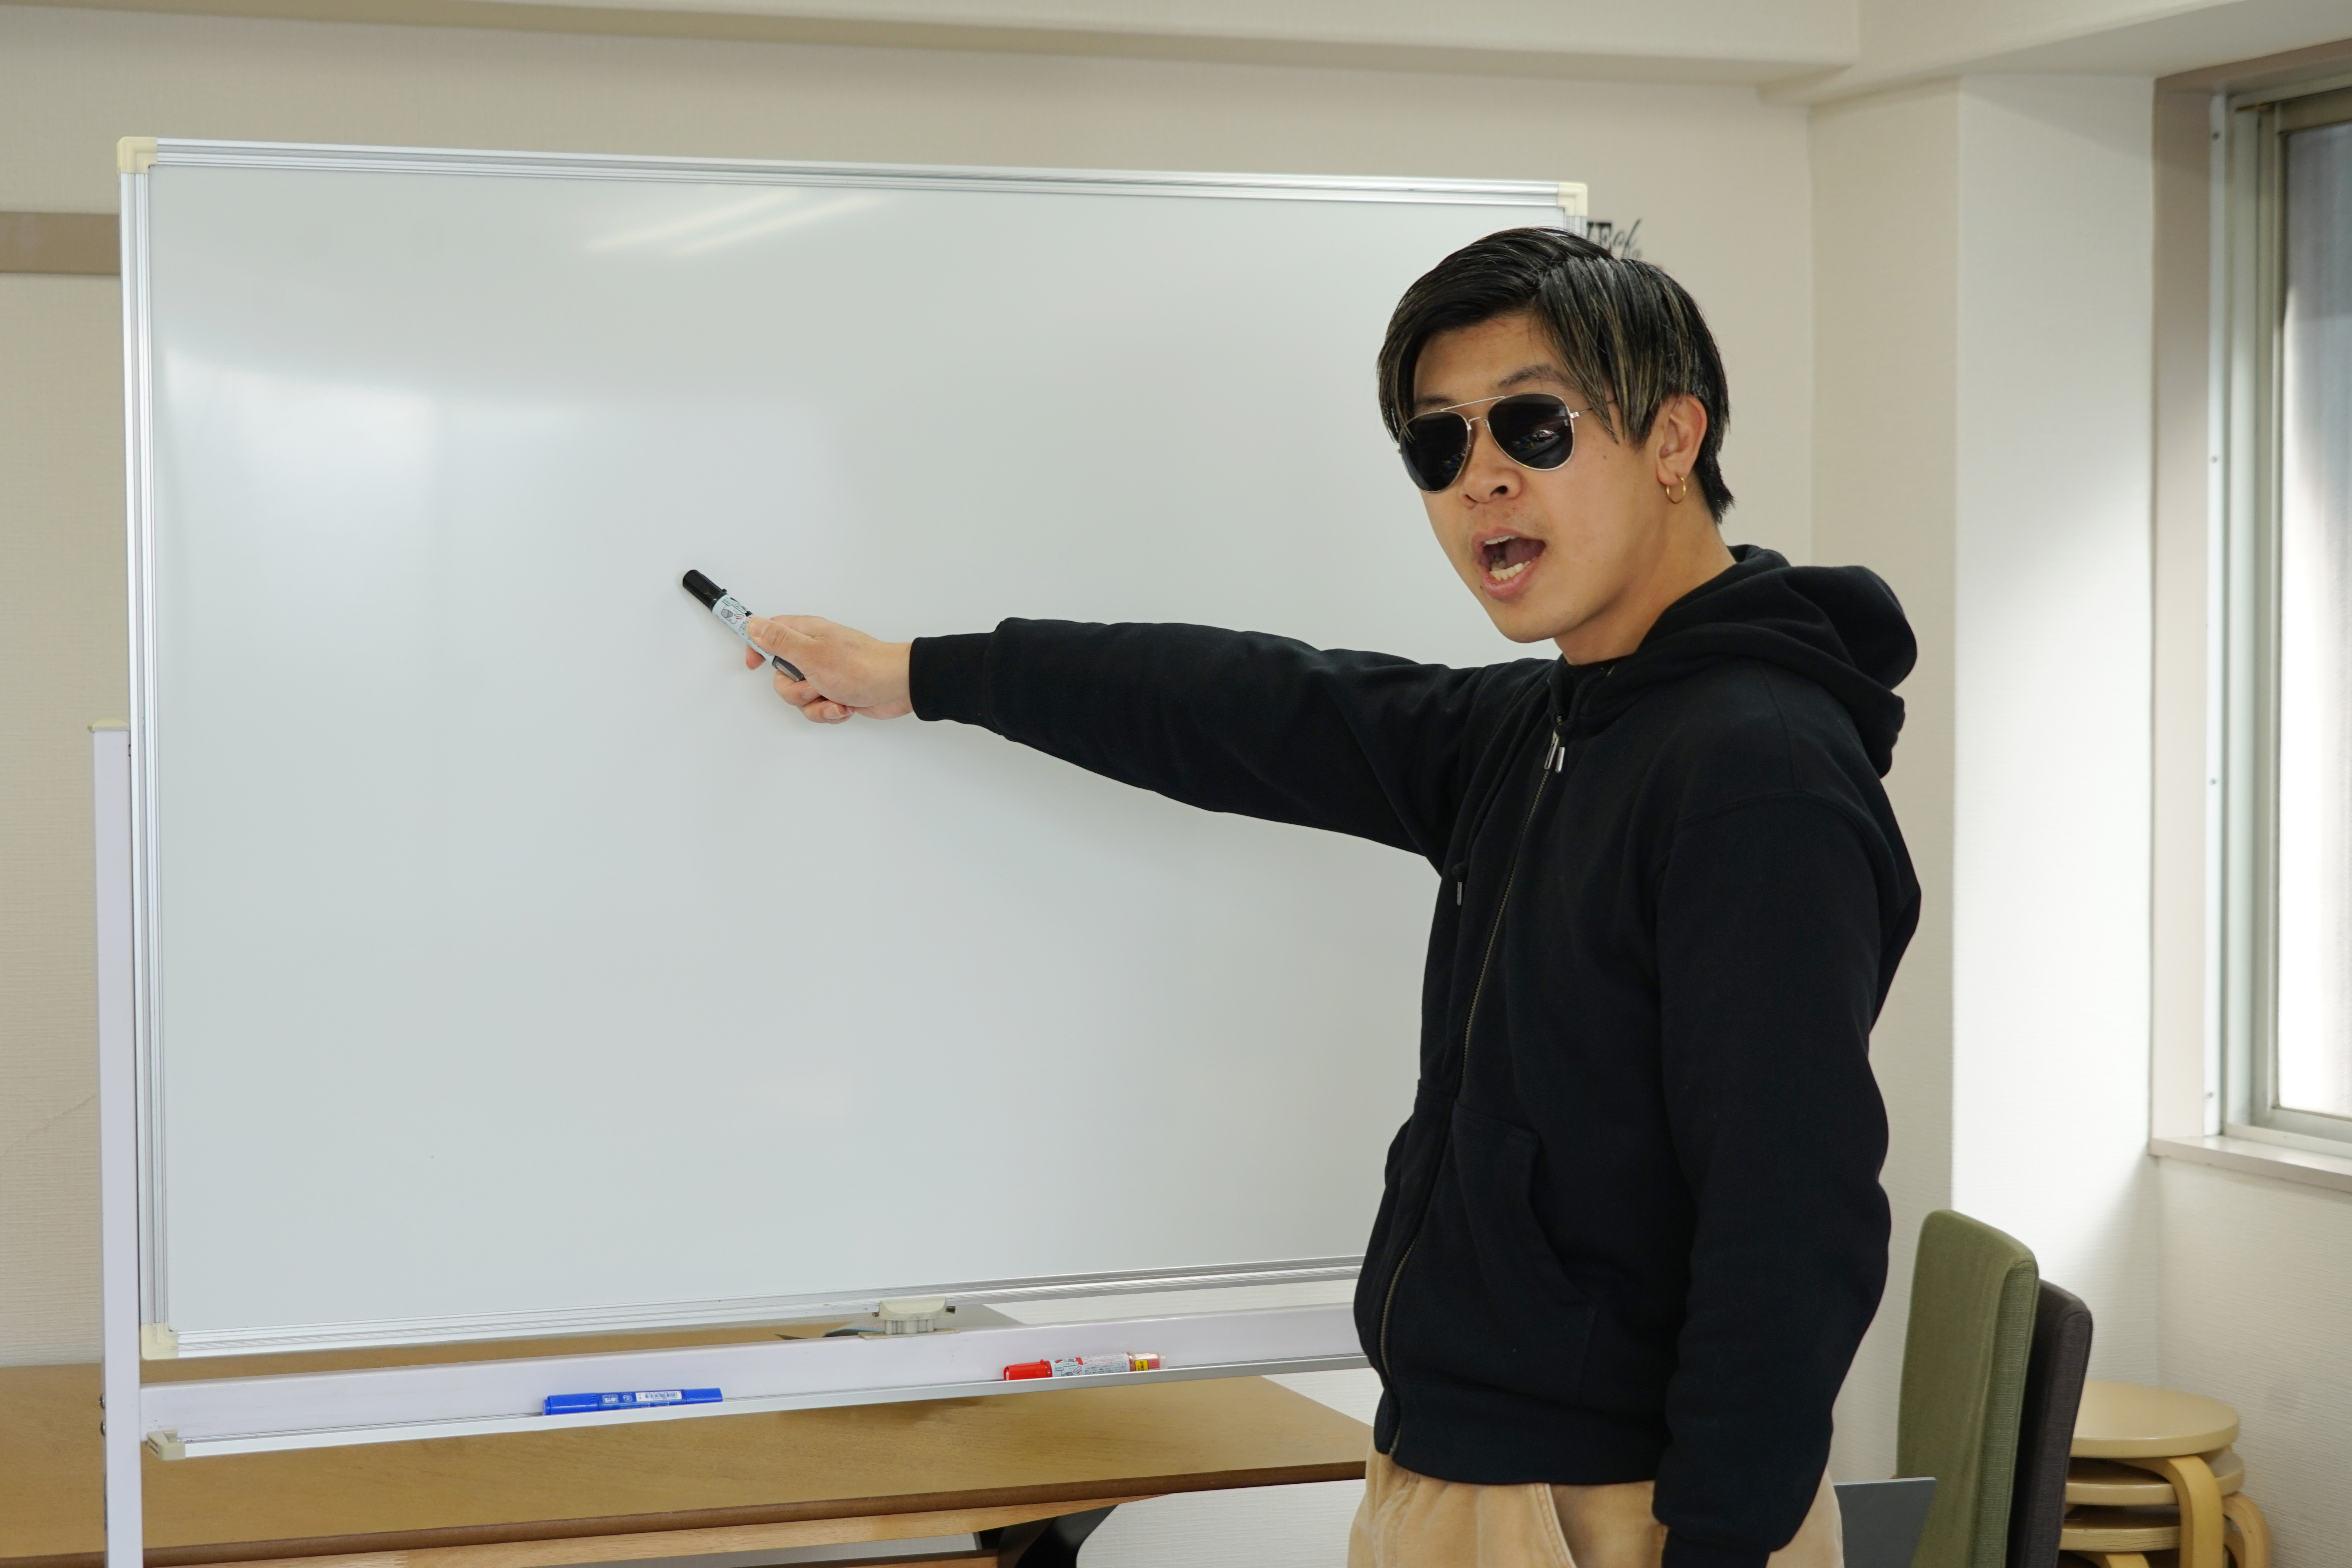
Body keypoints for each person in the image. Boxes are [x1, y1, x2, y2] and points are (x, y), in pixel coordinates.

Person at [733, 229, 1918, 1568]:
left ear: (1673, 438)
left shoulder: (1753, 773)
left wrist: (1721, 1548)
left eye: (1532, 424)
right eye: (1438, 443)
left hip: (1602, 1511)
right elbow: (1245, 705)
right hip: (1465, 1475)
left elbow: (1792, 1216)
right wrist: (921, 673)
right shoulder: (1549, 728)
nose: (1481, 477)